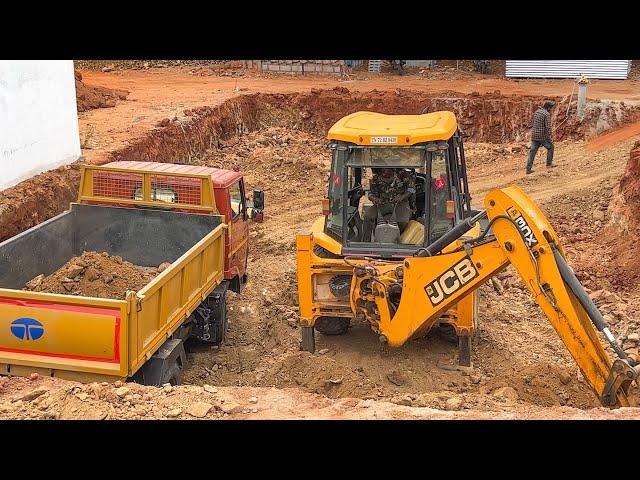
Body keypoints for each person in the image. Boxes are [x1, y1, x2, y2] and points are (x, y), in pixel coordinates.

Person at [364, 168, 416, 234]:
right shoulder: (377, 177)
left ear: (391, 168)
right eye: (381, 171)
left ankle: (400, 241)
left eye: (384, 171)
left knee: (403, 221)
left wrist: (402, 197)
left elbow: (412, 189)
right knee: (368, 216)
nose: (383, 173)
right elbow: (371, 193)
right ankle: (366, 242)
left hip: (400, 203)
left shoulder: (402, 174)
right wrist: (374, 198)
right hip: (383, 203)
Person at [526, 100, 556, 174]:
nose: (551, 110)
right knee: (550, 147)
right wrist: (550, 136)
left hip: (534, 135)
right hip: (542, 136)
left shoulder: (537, 112)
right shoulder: (546, 114)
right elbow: (548, 127)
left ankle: (528, 169)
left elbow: (533, 122)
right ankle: (549, 164)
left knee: (532, 152)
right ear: (548, 107)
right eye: (551, 108)